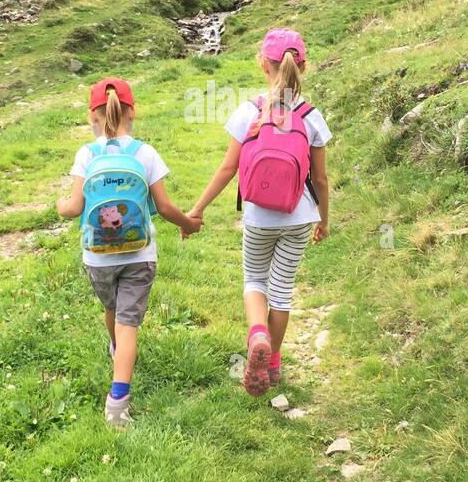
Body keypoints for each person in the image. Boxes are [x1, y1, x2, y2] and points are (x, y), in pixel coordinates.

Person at [188, 29, 330, 396]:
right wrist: (324, 220)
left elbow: (226, 169)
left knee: (254, 280)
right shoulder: (311, 117)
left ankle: (257, 337)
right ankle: (275, 362)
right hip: (299, 217)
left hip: (258, 217)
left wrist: (197, 209)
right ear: (304, 67)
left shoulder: (250, 111)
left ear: (263, 67)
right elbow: (322, 179)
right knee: (281, 291)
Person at [57, 76, 201, 426]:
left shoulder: (86, 153)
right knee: (128, 325)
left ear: (93, 117)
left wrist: (60, 205)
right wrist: (188, 223)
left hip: (97, 257)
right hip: (139, 255)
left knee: (112, 308)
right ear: (132, 112)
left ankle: (117, 353)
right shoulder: (145, 153)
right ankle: (117, 403)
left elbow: (74, 207)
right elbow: (164, 207)